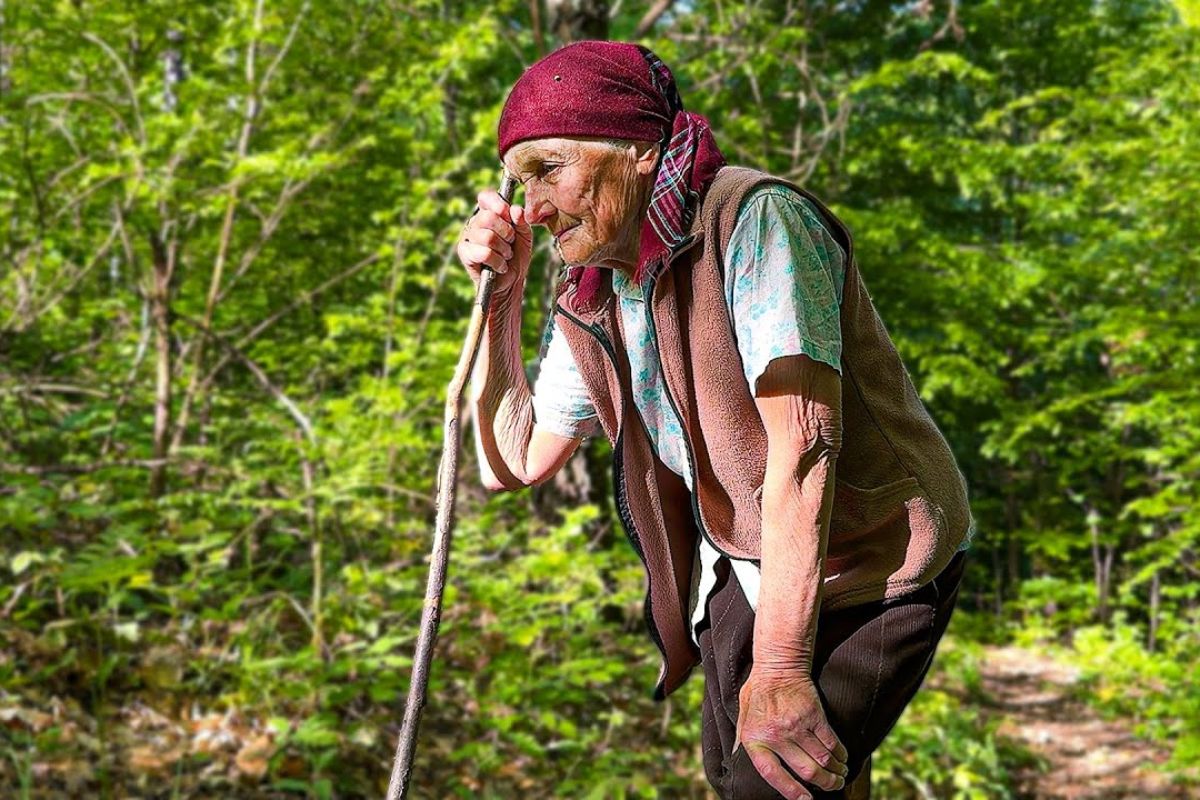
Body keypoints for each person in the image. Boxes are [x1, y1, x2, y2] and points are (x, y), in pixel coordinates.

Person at [459, 40, 975, 800]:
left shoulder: (755, 222)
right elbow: (513, 460)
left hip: (876, 553)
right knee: (774, 774)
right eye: (518, 181)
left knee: (774, 783)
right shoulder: (594, 292)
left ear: (636, 150)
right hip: (752, 555)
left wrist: (780, 667)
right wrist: (500, 303)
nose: (530, 206)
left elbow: (804, 453)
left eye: (549, 170)